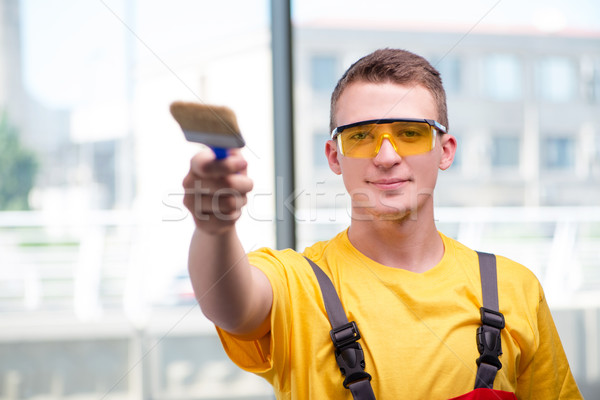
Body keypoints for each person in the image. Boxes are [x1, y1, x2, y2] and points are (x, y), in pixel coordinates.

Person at [182, 48, 582, 399]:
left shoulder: (515, 288)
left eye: (410, 133)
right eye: (361, 136)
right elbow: (229, 305)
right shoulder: (298, 284)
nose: (387, 155)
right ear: (335, 156)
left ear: (445, 150)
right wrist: (214, 229)